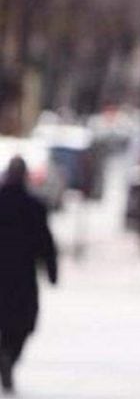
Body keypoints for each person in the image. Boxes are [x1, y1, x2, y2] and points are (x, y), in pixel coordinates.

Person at [0, 157, 58, 394]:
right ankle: (9, 357)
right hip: (23, 277)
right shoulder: (34, 205)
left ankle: (5, 357)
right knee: (23, 323)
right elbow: (46, 243)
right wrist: (52, 271)